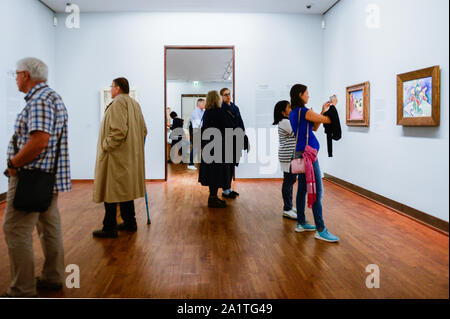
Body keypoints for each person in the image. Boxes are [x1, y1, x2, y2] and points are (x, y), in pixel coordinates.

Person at [2, 57, 71, 297]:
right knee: (49, 227)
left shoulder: (39, 100)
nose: (16, 78)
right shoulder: (53, 97)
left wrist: (13, 163)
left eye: (17, 74)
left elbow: (39, 140)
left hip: (31, 178)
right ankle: (53, 277)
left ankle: (21, 289)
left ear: (26, 75)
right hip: (47, 179)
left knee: (15, 229)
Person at [92, 77, 147, 238]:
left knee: (111, 191)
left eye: (112, 86)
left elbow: (118, 131)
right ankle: (130, 222)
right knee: (125, 190)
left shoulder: (117, 103)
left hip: (116, 156)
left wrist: (106, 145)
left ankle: (109, 227)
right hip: (128, 156)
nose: (110, 89)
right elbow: (144, 130)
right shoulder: (134, 104)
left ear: (118, 88)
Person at [289, 84, 339, 243]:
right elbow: (327, 120)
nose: (308, 96)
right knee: (317, 190)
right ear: (300, 94)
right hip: (308, 156)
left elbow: (315, 128)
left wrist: (322, 109)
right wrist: (333, 107)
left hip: (302, 153)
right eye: (307, 93)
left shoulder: (294, 113)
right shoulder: (303, 111)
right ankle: (321, 229)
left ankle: (301, 223)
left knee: (303, 188)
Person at [198, 91, 234, 208]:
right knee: (218, 172)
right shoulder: (219, 112)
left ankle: (212, 197)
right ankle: (213, 198)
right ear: (217, 99)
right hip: (219, 147)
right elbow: (228, 127)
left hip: (209, 146)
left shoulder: (206, 113)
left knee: (211, 172)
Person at [220, 88, 248, 199]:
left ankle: (229, 188)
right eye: (225, 94)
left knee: (232, 164)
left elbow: (240, 122)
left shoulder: (235, 107)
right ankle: (225, 189)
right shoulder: (221, 109)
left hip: (236, 138)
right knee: (226, 165)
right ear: (221, 96)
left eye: (229, 94)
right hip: (226, 139)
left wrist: (242, 134)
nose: (228, 96)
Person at [273, 100, 297, 220]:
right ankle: (287, 208)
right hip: (288, 155)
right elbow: (296, 133)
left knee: (290, 181)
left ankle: (289, 206)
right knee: (289, 181)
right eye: (289, 107)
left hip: (289, 155)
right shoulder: (284, 122)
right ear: (283, 112)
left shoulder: (286, 121)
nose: (291, 108)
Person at [187, 98, 205, 170]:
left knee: (201, 148)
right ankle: (190, 164)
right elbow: (199, 123)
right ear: (199, 104)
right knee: (195, 148)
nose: (205, 105)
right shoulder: (195, 111)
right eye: (203, 103)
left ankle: (202, 164)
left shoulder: (202, 111)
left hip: (201, 131)